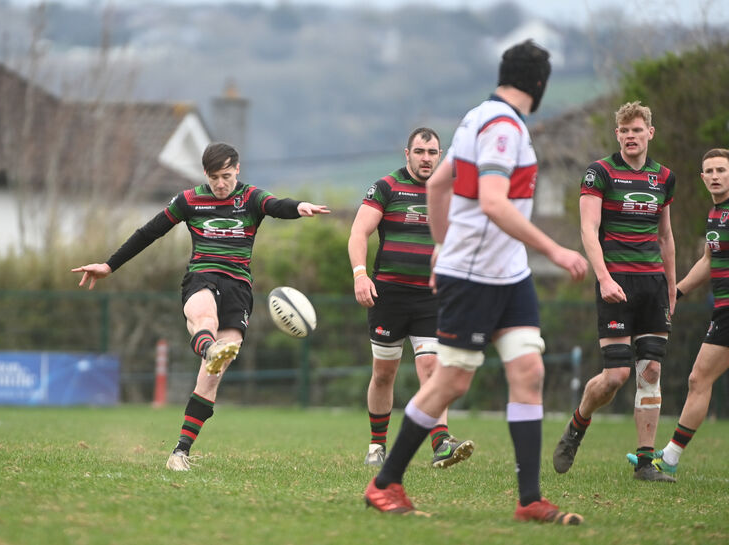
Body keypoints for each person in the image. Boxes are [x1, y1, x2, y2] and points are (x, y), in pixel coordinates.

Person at [363, 40, 588, 524]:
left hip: (510, 274)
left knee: (529, 372)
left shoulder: (476, 116)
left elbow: (437, 184)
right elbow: (492, 201)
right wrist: (554, 248)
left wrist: (441, 243)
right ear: (541, 84)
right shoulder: (503, 127)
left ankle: (530, 500)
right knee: (452, 380)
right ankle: (384, 484)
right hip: (474, 276)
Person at [72, 142, 330, 471]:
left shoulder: (250, 198)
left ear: (237, 169)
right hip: (201, 277)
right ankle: (209, 349)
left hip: (238, 287)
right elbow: (149, 232)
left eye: (226, 176)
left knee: (211, 378)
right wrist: (109, 266)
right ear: (204, 175)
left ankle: (180, 451)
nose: (220, 184)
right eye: (213, 178)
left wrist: (299, 207)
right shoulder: (189, 200)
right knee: (203, 317)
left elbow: (276, 205)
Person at [552, 101, 677, 482]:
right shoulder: (599, 173)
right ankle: (577, 425)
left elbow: (666, 236)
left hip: (653, 284)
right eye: (624, 131)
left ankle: (645, 463)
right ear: (617, 135)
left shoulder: (663, 177)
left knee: (651, 369)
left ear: (649, 133)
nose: (630, 136)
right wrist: (604, 278)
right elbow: (589, 231)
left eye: (637, 130)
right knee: (615, 377)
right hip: (616, 282)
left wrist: (671, 288)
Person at [348, 127, 474, 469]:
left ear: (440, 155)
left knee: (432, 366)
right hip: (388, 295)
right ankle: (377, 445)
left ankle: (440, 443)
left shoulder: (449, 191)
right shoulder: (387, 187)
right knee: (384, 373)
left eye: (433, 152)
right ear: (407, 154)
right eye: (420, 152)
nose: (426, 158)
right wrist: (360, 274)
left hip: (431, 297)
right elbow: (359, 232)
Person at [632, 148, 729, 477]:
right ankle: (670, 457)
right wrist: (678, 290)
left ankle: (670, 458)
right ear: (702, 178)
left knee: (698, 378)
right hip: (723, 310)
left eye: (722, 170)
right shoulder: (716, 214)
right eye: (709, 171)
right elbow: (708, 260)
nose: (715, 176)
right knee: (699, 379)